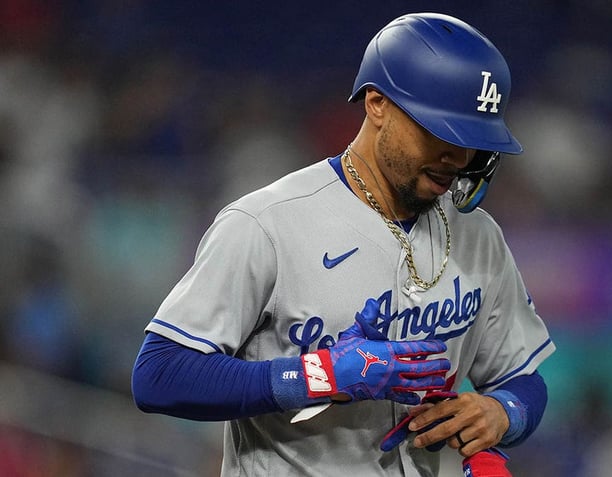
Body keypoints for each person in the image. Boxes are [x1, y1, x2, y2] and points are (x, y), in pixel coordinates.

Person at [131, 12, 555, 477]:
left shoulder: (480, 237)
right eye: (441, 133)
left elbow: (523, 377)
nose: (458, 158)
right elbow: (159, 375)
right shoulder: (265, 224)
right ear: (377, 104)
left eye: (474, 139)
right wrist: (320, 375)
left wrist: (501, 415)